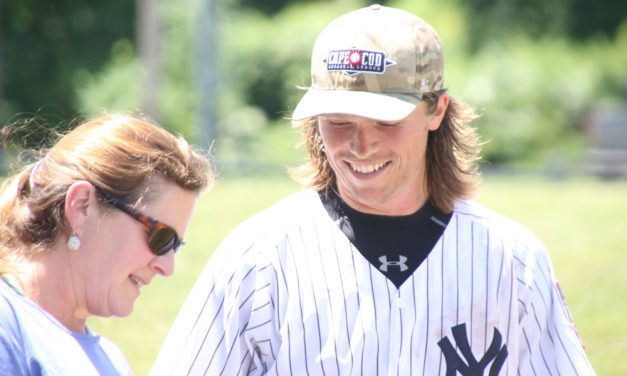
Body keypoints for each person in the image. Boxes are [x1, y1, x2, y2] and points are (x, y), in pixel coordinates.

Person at [151, 5, 594, 375]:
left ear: (436, 109)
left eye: (386, 122)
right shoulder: (258, 259)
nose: (361, 146)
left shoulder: (513, 261)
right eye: (338, 121)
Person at [0, 114, 213, 375]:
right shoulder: (7, 329)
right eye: (161, 238)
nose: (167, 267)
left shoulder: (111, 360)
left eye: (175, 247)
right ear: (81, 207)